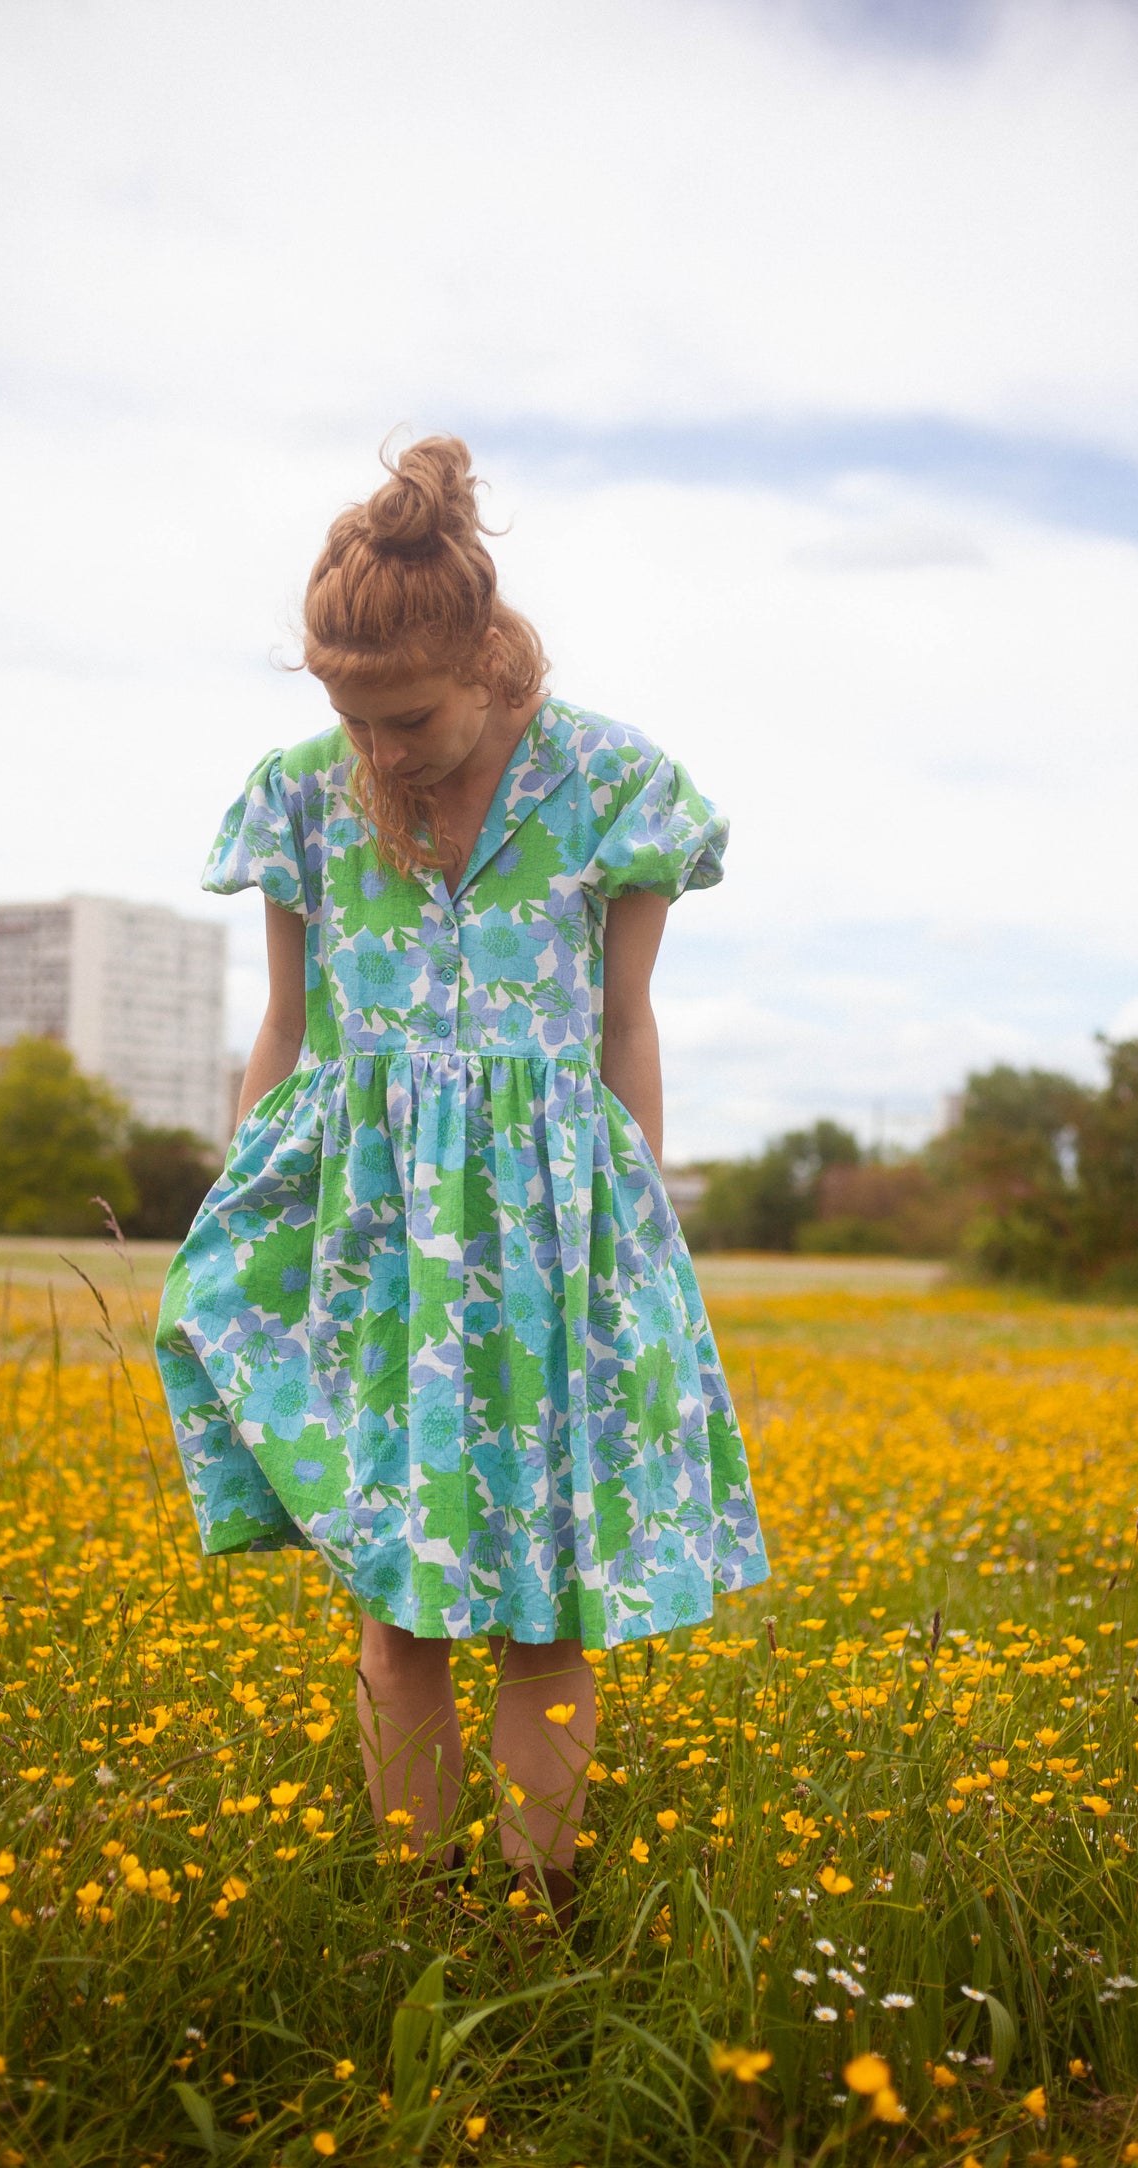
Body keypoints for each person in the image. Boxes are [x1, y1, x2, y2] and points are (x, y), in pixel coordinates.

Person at [155, 435, 769, 1928]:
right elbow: (287, 1033)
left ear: (487, 664)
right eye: (348, 718)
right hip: (373, 1236)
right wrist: (257, 1220)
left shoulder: (612, 786)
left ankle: (541, 1904)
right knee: (395, 1604)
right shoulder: (300, 800)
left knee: (545, 1606)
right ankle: (415, 1902)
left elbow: (624, 1025)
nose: (378, 752)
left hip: (553, 1228)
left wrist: (635, 1237)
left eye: (406, 716)